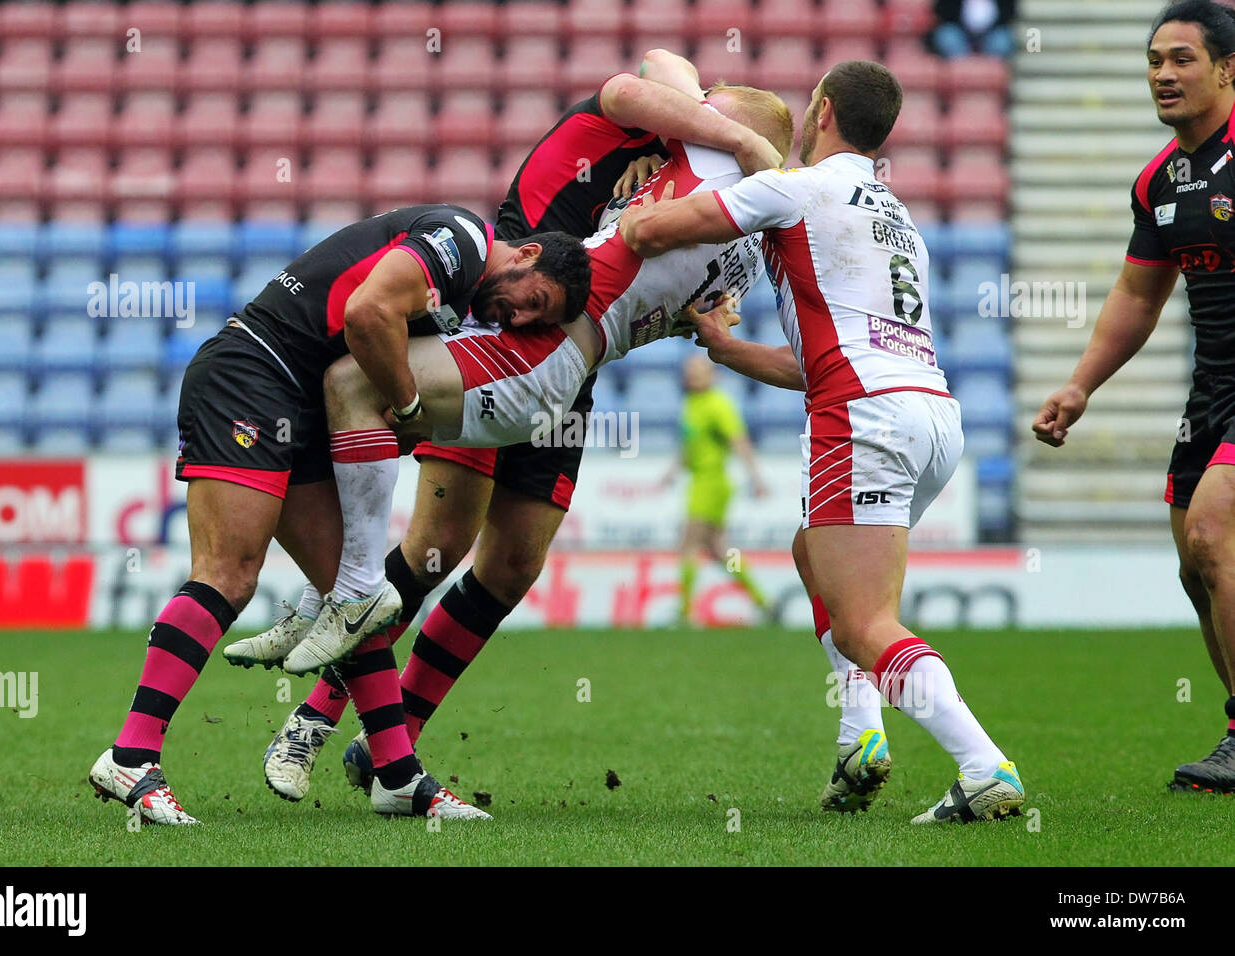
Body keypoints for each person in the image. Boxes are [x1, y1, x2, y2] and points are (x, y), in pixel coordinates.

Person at [228, 60, 789, 804]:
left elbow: (688, 296)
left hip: (575, 357)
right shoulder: (665, 122)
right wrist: (730, 137)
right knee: (437, 545)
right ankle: (314, 717)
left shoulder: (704, 184)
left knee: (514, 562)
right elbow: (652, 73)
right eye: (701, 109)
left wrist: (707, 308)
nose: (694, 115)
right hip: (511, 311)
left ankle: (390, 745)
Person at [87, 203, 590, 825]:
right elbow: (365, 311)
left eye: (537, 318)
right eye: (532, 299)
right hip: (251, 377)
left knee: (357, 598)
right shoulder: (459, 239)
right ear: (526, 253)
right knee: (230, 573)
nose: (519, 318)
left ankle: (398, 777)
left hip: (296, 404)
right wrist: (407, 409)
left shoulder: (459, 299)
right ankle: (132, 754)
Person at [620, 60, 1024, 823]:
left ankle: (982, 764)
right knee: (814, 554)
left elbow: (649, 230)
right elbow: (821, 355)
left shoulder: (797, 186)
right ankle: (859, 735)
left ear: (824, 110)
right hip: (931, 414)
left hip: (863, 417)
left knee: (866, 622)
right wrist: (728, 348)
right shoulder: (898, 216)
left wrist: (669, 183)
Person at [1034, 1, 1235, 794]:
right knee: (1196, 564)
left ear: (1227, 68)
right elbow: (1137, 296)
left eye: (1182, 58)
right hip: (1213, 386)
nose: (1162, 73)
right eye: (1155, 59)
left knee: (1216, 534)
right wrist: (1080, 385)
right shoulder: (1158, 179)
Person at [667, 355, 771, 626]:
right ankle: (763, 602)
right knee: (718, 550)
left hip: (712, 483)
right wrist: (672, 472)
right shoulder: (691, 403)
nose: (692, 376)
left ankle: (684, 612)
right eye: (689, 371)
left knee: (688, 545)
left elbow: (739, 441)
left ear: (711, 375)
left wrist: (756, 478)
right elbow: (689, 445)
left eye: (698, 371)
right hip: (700, 482)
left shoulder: (718, 404)